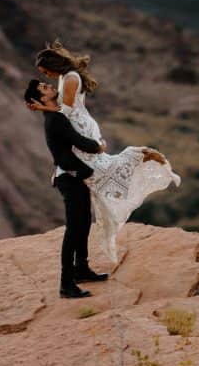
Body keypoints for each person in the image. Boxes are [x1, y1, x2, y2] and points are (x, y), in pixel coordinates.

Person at [28, 40, 180, 264]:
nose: (46, 75)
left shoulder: (70, 78)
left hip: (80, 128)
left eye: (45, 71)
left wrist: (45, 108)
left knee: (103, 168)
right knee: (99, 170)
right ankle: (70, 173)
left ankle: (140, 155)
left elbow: (67, 111)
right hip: (77, 128)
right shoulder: (63, 78)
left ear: (53, 65)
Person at [24, 78, 109, 299]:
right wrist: (98, 147)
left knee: (83, 223)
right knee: (74, 229)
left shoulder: (54, 115)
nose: (50, 86)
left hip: (74, 177)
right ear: (42, 98)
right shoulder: (55, 120)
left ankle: (81, 269)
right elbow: (78, 141)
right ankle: (66, 284)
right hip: (70, 178)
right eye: (45, 88)